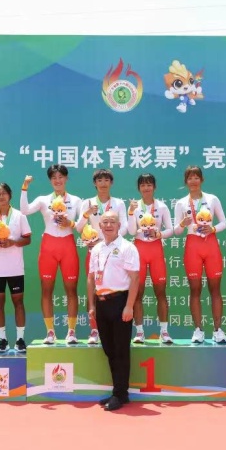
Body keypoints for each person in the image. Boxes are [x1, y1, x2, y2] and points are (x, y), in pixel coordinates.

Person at [20, 165, 86, 345]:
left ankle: (71, 332)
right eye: (54, 178)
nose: (58, 180)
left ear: (66, 178)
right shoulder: (43, 200)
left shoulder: (76, 200)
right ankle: (50, 332)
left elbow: (81, 227)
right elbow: (24, 210)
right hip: (49, 246)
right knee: (46, 290)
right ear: (50, 180)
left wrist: (69, 223)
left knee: (71, 290)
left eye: (61, 177)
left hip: (68, 246)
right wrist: (25, 187)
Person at [87, 211, 139, 411]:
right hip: (101, 302)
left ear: (119, 225)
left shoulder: (127, 247)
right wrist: (91, 305)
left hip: (120, 301)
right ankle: (119, 392)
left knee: (120, 349)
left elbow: (135, 278)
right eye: (105, 222)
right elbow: (91, 278)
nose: (108, 225)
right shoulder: (97, 248)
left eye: (112, 222)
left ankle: (120, 393)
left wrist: (129, 306)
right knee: (109, 349)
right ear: (99, 226)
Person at [173, 165, 226, 344]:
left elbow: (224, 223)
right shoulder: (181, 203)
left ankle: (218, 331)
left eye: (196, 177)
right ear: (186, 181)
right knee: (195, 290)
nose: (193, 181)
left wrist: (212, 229)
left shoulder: (212, 199)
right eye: (190, 178)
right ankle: (198, 330)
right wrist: (183, 223)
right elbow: (177, 231)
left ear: (202, 180)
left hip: (210, 244)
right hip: (193, 246)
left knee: (215, 289)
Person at [76, 168, 128, 344]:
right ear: (95, 183)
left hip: (114, 252)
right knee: (94, 289)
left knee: (113, 289)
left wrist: (110, 238)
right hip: (95, 252)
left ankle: (111, 327)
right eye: (100, 180)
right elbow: (79, 227)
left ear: (111, 183)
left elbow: (125, 227)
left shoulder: (118, 203)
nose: (103, 184)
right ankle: (94, 330)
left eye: (106, 180)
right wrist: (87, 214)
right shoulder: (88, 203)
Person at [0, 183, 32, 354]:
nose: (1, 196)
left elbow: (27, 239)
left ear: (10, 195)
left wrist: (13, 242)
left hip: (15, 268)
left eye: (4, 193)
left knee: (18, 302)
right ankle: (2, 340)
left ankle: (20, 339)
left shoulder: (19, 215)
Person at [127, 173, 174, 344]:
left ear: (154, 187)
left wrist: (159, 234)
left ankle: (164, 332)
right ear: (138, 188)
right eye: (143, 185)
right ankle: (139, 332)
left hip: (156, 251)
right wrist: (130, 212)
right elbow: (132, 231)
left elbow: (171, 229)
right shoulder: (134, 207)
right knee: (137, 293)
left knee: (160, 292)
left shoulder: (162, 207)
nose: (146, 188)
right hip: (139, 250)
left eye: (149, 185)